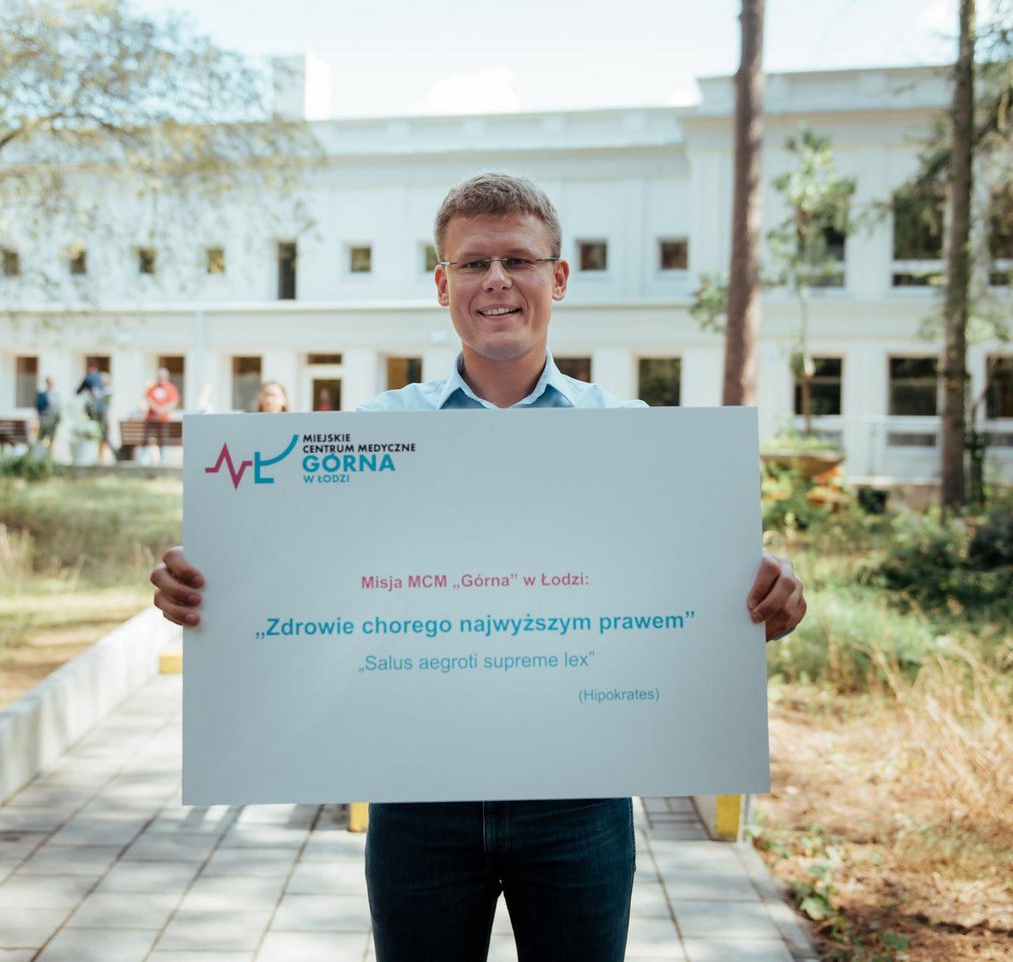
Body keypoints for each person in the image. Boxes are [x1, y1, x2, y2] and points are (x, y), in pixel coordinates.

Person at [151, 173, 807, 962]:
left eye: (518, 260)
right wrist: (212, 589)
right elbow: (301, 582)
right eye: (472, 264)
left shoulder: (630, 434)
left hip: (580, 800)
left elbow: (693, 601)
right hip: (418, 802)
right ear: (443, 285)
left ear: (558, 278)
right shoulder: (374, 431)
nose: (496, 279)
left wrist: (764, 601)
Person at [142, 367, 180, 464]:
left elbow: (174, 402)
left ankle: (163, 461)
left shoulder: (171, 388)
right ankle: (144, 460)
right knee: (148, 439)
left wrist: (162, 410)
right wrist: (157, 409)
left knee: (163, 440)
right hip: (151, 419)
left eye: (163, 376)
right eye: (159, 376)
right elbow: (148, 399)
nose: (161, 378)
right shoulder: (152, 388)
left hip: (164, 420)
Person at [35, 376, 61, 450]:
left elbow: (58, 408)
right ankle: (39, 452)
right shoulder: (42, 395)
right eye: (49, 383)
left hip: (54, 420)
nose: (50, 385)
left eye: (51, 383)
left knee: (52, 438)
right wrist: (41, 417)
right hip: (45, 419)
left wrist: (58, 418)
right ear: (46, 383)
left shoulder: (56, 395)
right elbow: (39, 407)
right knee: (41, 437)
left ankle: (49, 452)